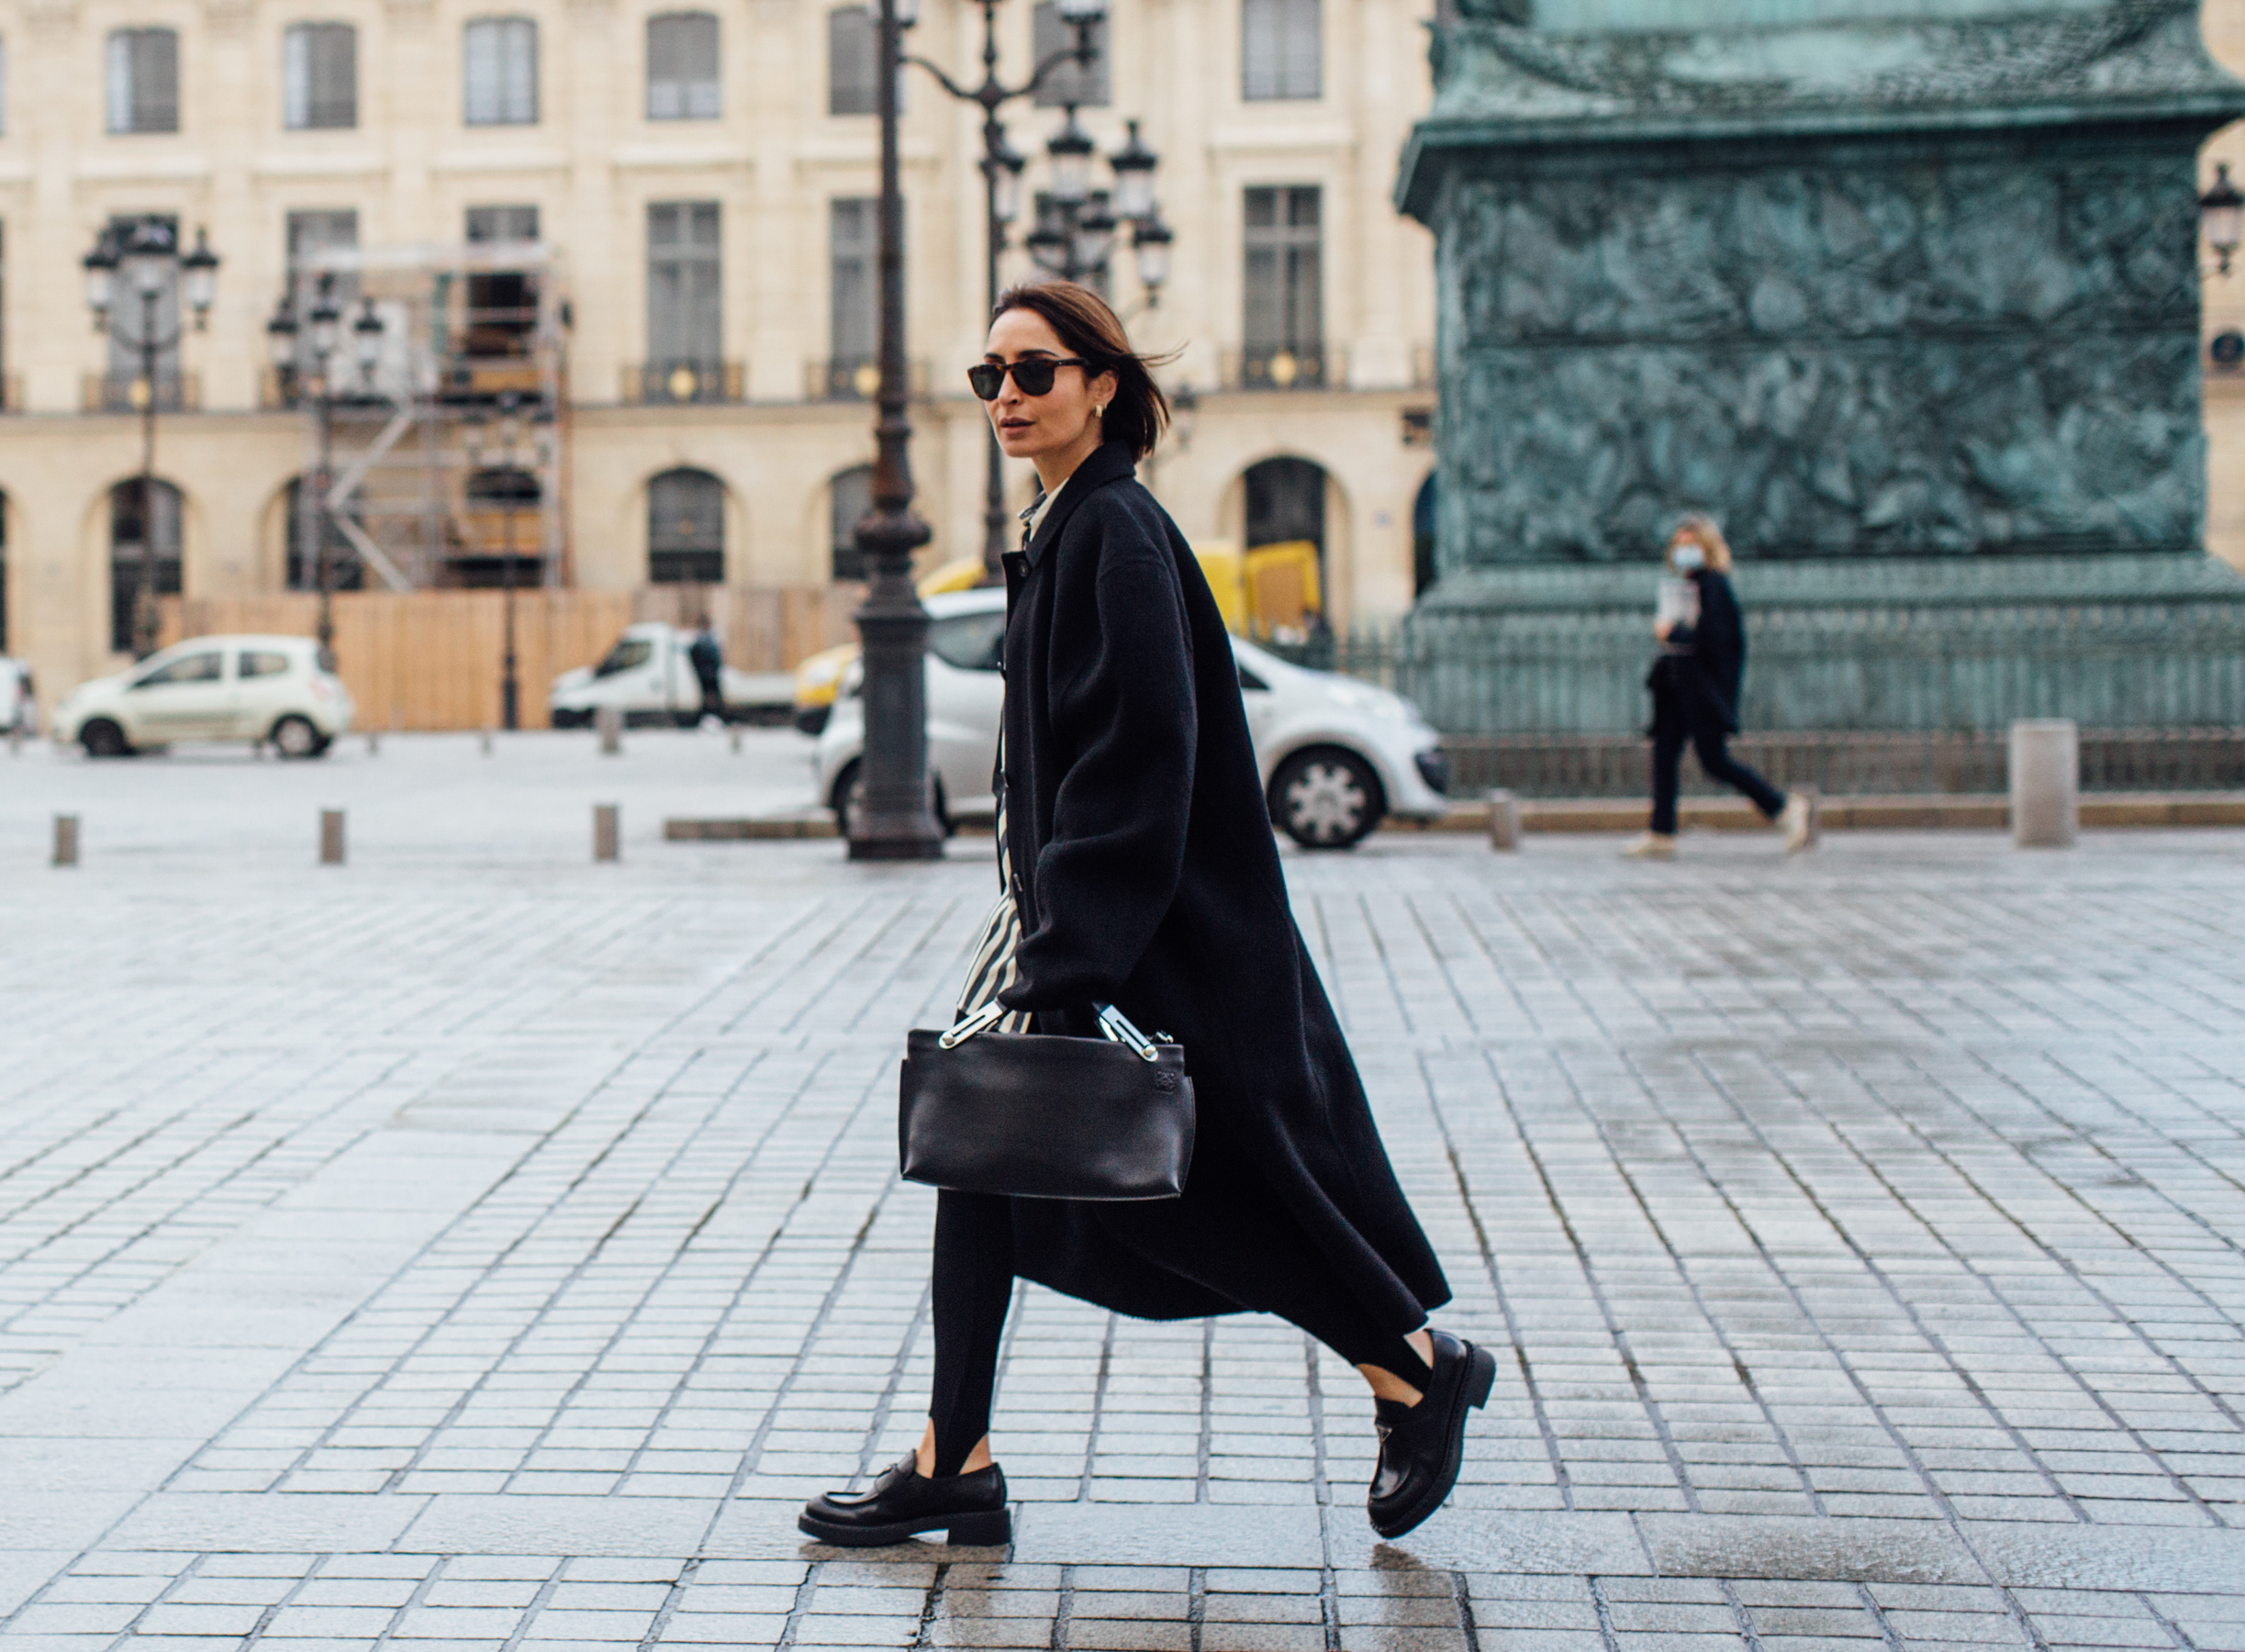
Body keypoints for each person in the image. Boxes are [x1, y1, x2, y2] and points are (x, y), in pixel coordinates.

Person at [799, 282, 1493, 1551]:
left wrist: (1071, 954)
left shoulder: (1115, 530)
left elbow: (1142, 753)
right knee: (984, 1156)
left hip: (1152, 941)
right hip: (1093, 922)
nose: (1006, 396)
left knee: (1196, 1193)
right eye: (989, 377)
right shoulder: (1077, 526)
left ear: (1102, 386)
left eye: (1035, 372)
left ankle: (1412, 1367)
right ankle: (955, 1454)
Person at [1623, 513, 1811, 859]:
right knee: (1664, 756)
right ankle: (1661, 831)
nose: (1683, 551)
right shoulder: (1692, 585)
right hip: (1679, 689)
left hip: (1701, 692)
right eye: (1679, 545)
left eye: (1690, 545)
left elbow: (1713, 640)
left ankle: (1783, 808)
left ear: (1706, 548)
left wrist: (1671, 632)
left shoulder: (1714, 586)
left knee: (1714, 760)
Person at [687, 619, 726, 722]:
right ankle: (710, 716)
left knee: (711, 696)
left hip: (710, 673)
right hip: (707, 673)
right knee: (710, 696)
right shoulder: (703, 640)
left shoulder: (708, 638)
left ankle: (712, 716)